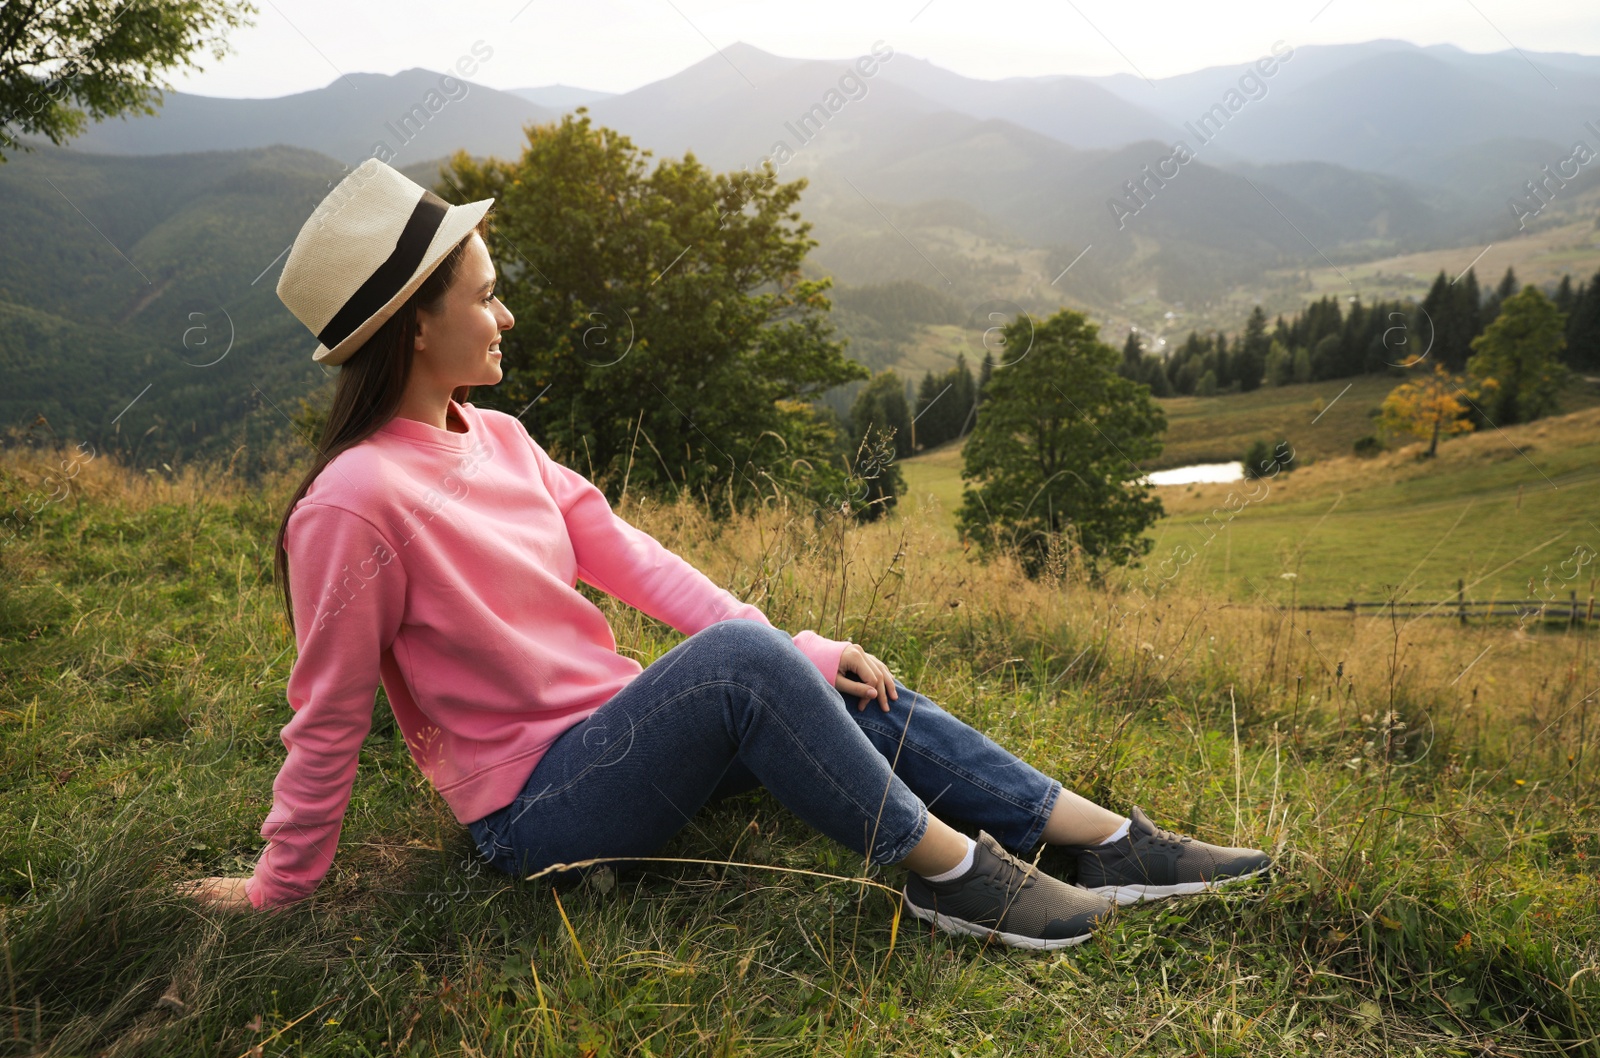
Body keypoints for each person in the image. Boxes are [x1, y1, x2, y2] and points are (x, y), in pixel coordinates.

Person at [177, 161, 1269, 949]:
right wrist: (281, 888)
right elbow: (325, 712)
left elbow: (635, 559)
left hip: (619, 738)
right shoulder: (353, 504)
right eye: (484, 293)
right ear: (417, 324)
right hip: (534, 814)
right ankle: (948, 872)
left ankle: (1099, 838)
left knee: (821, 669)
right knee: (751, 664)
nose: (504, 313)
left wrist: (795, 646)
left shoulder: (496, 436)